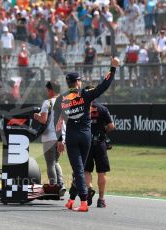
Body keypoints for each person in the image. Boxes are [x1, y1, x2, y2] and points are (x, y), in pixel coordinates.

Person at [53, 57, 120, 212]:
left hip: (71, 136)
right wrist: (113, 68)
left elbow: (57, 122)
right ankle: (71, 199)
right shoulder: (86, 94)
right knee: (80, 169)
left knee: (79, 170)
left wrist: (59, 140)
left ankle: (83, 201)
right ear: (77, 82)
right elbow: (104, 86)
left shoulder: (62, 99)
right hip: (85, 136)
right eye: (80, 80)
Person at [83, 86, 115, 208]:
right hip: (100, 143)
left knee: (86, 170)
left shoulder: (80, 108)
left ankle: (89, 188)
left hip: (86, 143)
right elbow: (111, 126)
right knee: (102, 172)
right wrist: (103, 131)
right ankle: (101, 200)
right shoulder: (102, 108)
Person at [34, 81, 64, 187]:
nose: (47, 92)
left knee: (50, 163)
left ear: (51, 90)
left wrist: (36, 116)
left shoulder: (48, 102)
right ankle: (61, 185)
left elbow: (43, 120)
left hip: (49, 136)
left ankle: (53, 185)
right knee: (56, 161)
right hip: (61, 136)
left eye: (47, 90)